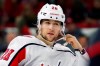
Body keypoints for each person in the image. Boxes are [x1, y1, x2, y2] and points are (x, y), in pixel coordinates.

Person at [0, 3, 89, 66]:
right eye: (47, 22)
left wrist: (79, 49)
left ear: (61, 29)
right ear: (40, 25)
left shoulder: (66, 52)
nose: (51, 28)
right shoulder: (24, 43)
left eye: (56, 24)